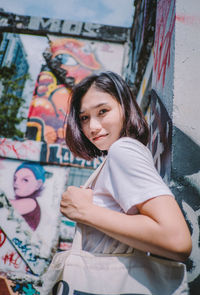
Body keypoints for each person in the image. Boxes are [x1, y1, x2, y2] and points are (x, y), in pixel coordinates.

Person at [60, 71, 192, 261]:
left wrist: (84, 211)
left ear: (125, 108)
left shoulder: (122, 150)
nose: (93, 126)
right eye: (84, 118)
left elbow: (177, 240)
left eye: (103, 111)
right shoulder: (114, 157)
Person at [10, 162, 46, 231]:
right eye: (15, 179)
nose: (16, 183)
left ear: (38, 184)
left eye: (25, 180)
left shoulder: (31, 203)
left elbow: (7, 205)